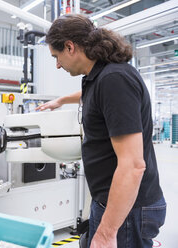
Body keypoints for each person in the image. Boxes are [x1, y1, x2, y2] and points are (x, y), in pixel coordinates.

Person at [36, 14, 166, 248]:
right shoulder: (99, 76)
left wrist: (107, 233)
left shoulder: (114, 79)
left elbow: (133, 165)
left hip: (129, 209)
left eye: (56, 57)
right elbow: (95, 98)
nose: (57, 65)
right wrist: (62, 100)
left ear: (70, 46)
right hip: (112, 201)